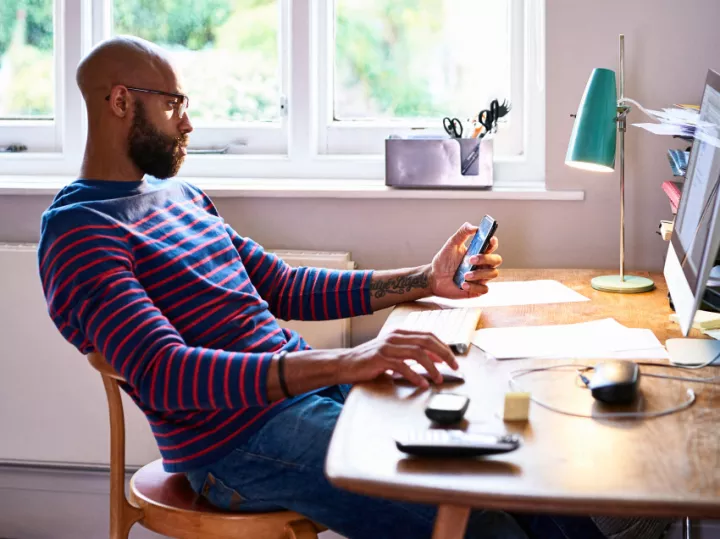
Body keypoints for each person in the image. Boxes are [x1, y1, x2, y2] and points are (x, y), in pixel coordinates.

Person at [38, 36, 668, 539]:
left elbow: (283, 286)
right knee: (481, 523)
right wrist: (350, 360)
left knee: (515, 469)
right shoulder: (80, 233)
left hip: (312, 391)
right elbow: (166, 373)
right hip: (235, 442)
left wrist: (427, 279)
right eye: (174, 104)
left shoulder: (179, 195)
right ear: (120, 102)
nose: (189, 122)